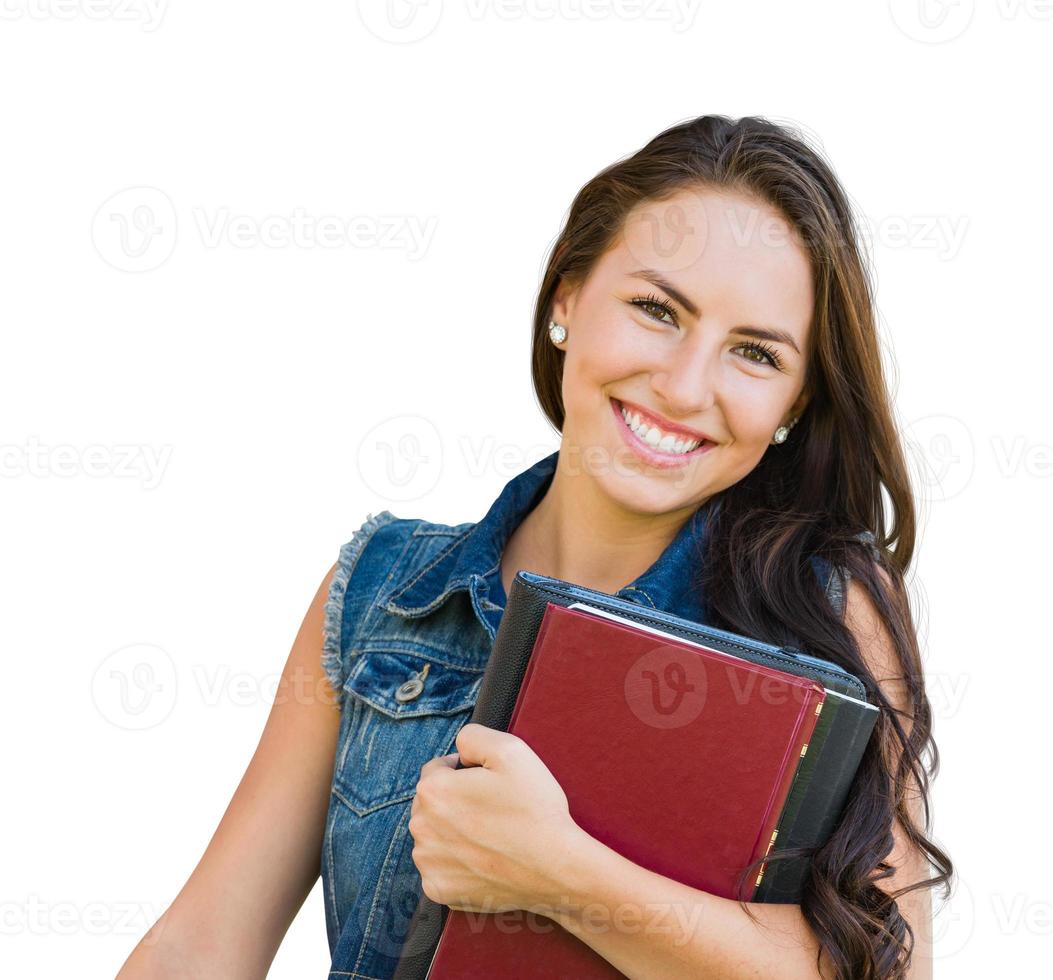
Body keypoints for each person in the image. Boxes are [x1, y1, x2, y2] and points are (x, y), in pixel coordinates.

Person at [117, 114, 952, 980]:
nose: (684, 384)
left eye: (753, 353)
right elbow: (203, 941)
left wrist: (559, 875)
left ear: (793, 406)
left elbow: (887, 970)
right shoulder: (381, 591)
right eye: (656, 310)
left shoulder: (825, 611)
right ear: (566, 303)